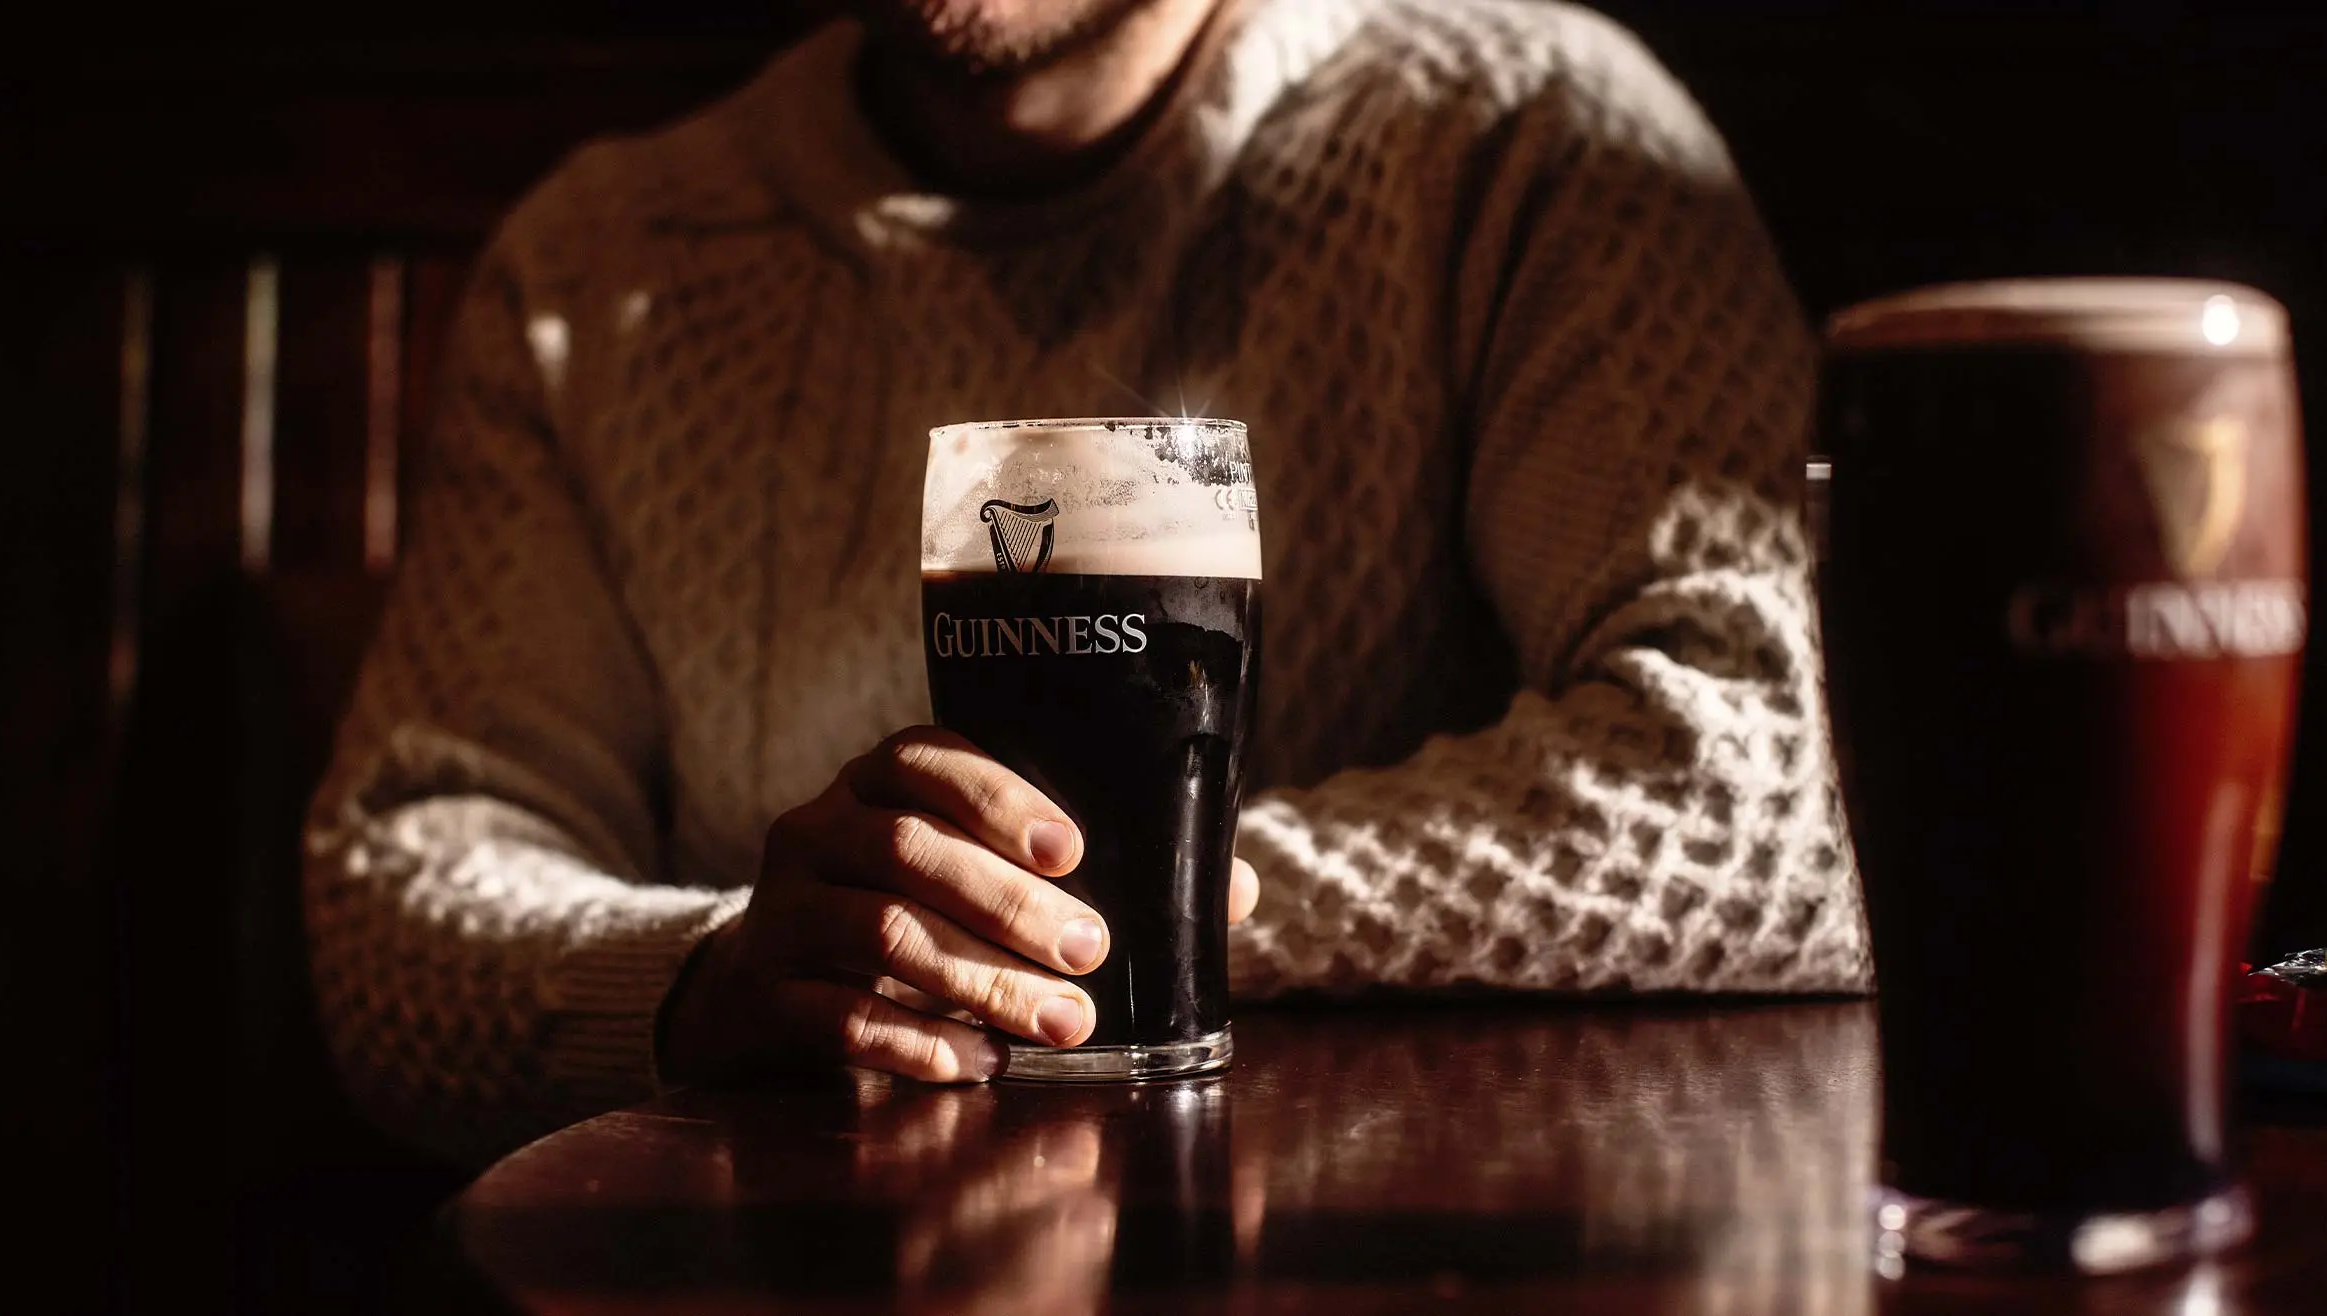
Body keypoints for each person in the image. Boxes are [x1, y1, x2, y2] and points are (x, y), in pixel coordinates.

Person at [305, 0, 1871, 1164]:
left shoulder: (1524, 133)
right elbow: (399, 901)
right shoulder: (598, 260)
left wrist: (1127, 926)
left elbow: (1801, 790)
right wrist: (712, 977)